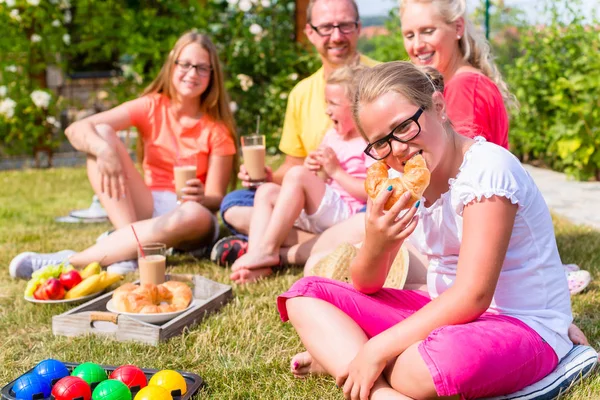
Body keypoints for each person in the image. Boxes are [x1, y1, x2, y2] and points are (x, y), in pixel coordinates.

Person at [278, 61, 573, 399]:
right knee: (305, 294)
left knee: (427, 366)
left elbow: (473, 296)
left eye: (403, 126)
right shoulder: (399, 183)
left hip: (520, 325)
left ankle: (348, 357)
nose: (398, 150)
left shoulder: (487, 171)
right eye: (381, 142)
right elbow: (366, 284)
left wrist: (377, 349)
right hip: (444, 316)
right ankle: (380, 390)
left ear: (438, 107)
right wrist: (376, 242)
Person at [288, 0, 591, 296]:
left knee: (324, 262)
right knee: (327, 261)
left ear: (457, 27)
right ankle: (280, 252)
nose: (417, 44)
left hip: (473, 243)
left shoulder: (464, 90)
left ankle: (280, 254)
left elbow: (462, 184)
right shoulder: (450, 83)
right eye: (409, 35)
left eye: (428, 31)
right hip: (446, 234)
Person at [9, 31, 237, 278]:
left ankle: (70, 261)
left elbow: (217, 197)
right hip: (148, 205)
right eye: (186, 64)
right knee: (102, 134)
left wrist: (203, 197)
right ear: (172, 65)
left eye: (202, 68)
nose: (192, 74)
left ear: (212, 76)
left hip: (191, 217)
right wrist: (103, 150)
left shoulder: (217, 129)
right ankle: (129, 251)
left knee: (192, 213)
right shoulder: (151, 106)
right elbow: (77, 129)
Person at [210, 0, 378, 266]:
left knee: (377, 214)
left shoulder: (381, 80)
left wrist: (329, 173)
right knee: (236, 202)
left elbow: (383, 179)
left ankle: (276, 250)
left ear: (358, 28)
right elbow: (294, 168)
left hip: (357, 206)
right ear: (310, 33)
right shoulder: (302, 93)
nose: (336, 36)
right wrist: (267, 177)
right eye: (326, 27)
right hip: (323, 198)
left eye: (345, 25)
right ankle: (300, 245)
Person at [230, 66, 369, 283]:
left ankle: (268, 251)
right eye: (326, 102)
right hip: (325, 208)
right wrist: (316, 168)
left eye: (333, 103)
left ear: (358, 106)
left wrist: (335, 171)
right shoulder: (333, 135)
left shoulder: (369, 142)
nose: (327, 110)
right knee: (266, 191)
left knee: (296, 175)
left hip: (346, 213)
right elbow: (322, 180)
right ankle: (259, 256)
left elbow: (368, 192)